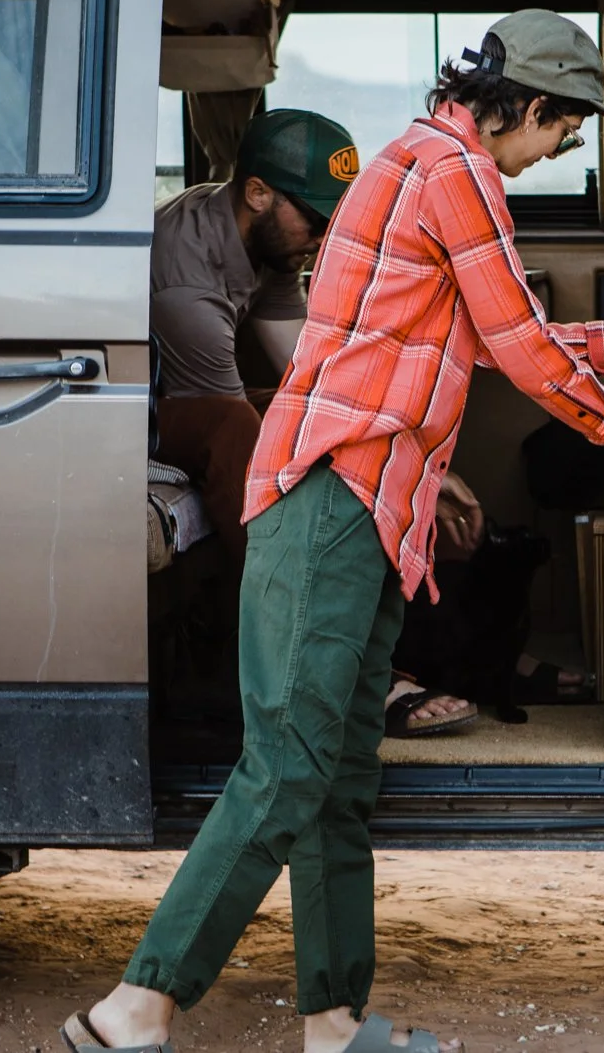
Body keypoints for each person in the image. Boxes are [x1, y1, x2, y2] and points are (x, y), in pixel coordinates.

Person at [64, 11, 604, 1053]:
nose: (562, 152)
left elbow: (495, 331)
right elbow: (515, 339)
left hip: (372, 508)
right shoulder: (455, 174)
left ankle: (333, 1022)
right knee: (287, 768)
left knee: (336, 779)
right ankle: (134, 1007)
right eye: (565, 132)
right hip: (331, 501)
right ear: (529, 108)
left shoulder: (425, 163)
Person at [150, 108, 475, 738]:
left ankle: (368, 650)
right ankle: (297, 656)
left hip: (195, 391)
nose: (326, 237)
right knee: (235, 432)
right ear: (257, 193)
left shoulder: (267, 245)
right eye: (319, 219)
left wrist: (423, 463)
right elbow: (234, 417)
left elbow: (318, 378)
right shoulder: (185, 282)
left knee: (296, 411)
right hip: (126, 406)